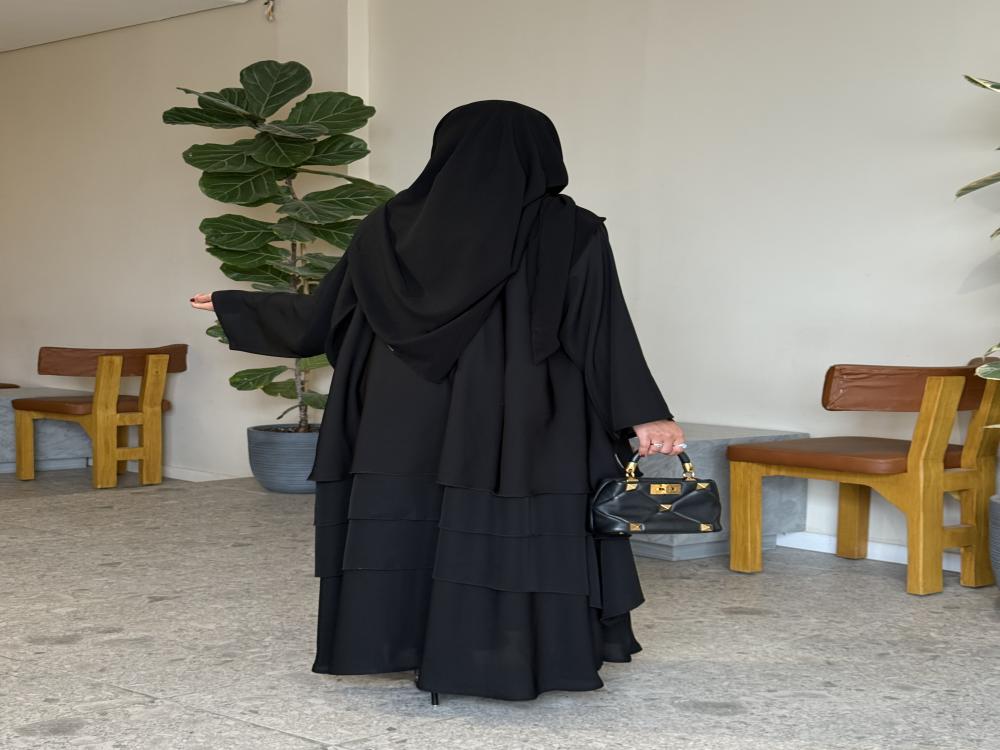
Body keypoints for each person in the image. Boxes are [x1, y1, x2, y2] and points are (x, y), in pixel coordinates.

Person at [190, 99, 685, 703]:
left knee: (411, 521)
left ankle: (407, 644)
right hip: (519, 408)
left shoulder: (388, 226)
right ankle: (519, 653)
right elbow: (599, 327)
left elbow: (325, 315)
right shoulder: (568, 228)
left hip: (402, 407)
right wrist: (643, 412)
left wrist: (239, 306)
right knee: (512, 520)